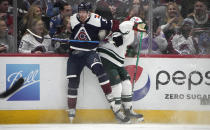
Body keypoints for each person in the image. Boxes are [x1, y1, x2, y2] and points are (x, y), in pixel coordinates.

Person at [67, 1, 129, 123]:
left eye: (84, 12)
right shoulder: (73, 18)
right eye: (80, 12)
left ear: (89, 12)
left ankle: (114, 104)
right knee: (73, 82)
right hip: (75, 55)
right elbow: (69, 29)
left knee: (100, 71)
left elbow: (113, 24)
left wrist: (116, 34)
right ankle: (71, 112)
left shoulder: (96, 19)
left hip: (90, 53)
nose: (82, 14)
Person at [98, 17, 146, 122]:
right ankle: (117, 111)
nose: (142, 28)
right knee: (117, 86)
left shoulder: (133, 33)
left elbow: (123, 41)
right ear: (134, 24)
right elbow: (120, 29)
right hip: (107, 58)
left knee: (127, 83)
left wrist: (129, 49)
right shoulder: (128, 24)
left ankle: (128, 109)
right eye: (140, 25)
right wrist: (116, 35)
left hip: (117, 61)